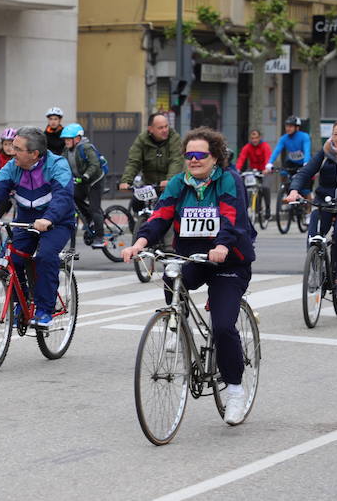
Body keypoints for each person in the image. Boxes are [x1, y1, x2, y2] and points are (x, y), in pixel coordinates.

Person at [121, 127, 256, 426]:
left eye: (201, 155)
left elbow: (232, 217)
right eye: (189, 155)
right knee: (171, 276)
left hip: (228, 260)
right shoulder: (179, 184)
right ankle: (176, 324)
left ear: (215, 157)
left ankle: (235, 391)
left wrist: (221, 245)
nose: (194, 160)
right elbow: (161, 216)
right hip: (190, 257)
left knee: (222, 327)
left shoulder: (228, 180)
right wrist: (139, 244)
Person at [0, 126, 75, 328]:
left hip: (56, 221)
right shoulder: (12, 167)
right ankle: (20, 304)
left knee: (45, 256)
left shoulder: (58, 165)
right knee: (11, 258)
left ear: (34, 154)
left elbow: (63, 197)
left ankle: (44, 310)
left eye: (17, 148)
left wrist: (48, 219)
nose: (12, 152)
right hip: (26, 220)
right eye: (12, 147)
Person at [286, 120, 337, 305]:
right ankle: (315, 271)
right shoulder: (324, 153)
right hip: (324, 204)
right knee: (313, 234)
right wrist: (294, 190)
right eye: (336, 133)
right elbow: (305, 172)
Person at [62, 122, 106, 248]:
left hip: (95, 180)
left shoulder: (86, 147)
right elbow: (61, 164)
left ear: (77, 138)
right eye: (65, 139)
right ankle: (89, 219)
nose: (66, 141)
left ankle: (100, 237)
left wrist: (86, 175)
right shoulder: (66, 151)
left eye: (68, 139)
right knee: (74, 196)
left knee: (94, 208)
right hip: (80, 180)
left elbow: (94, 164)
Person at [119, 112, 183, 194]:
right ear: (150, 129)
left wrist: (169, 180)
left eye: (166, 126)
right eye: (160, 128)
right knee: (136, 203)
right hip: (149, 185)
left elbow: (176, 161)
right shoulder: (142, 140)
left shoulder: (174, 138)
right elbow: (134, 162)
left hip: (170, 185)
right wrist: (126, 181)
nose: (165, 130)